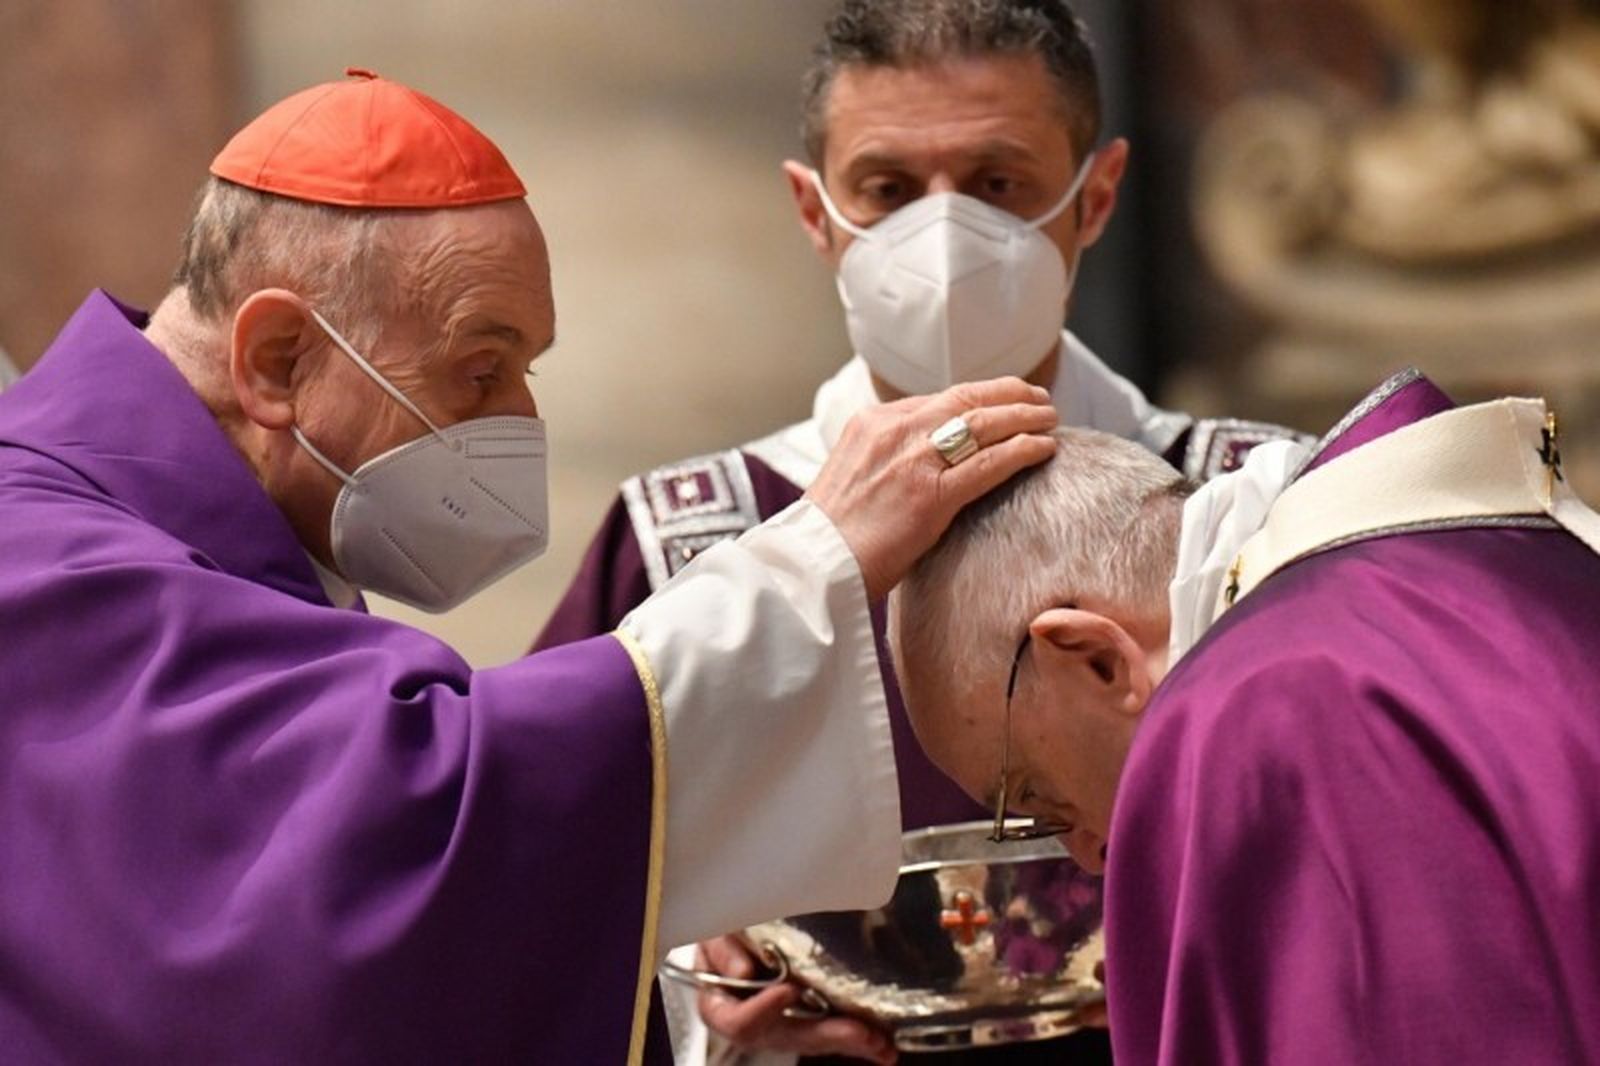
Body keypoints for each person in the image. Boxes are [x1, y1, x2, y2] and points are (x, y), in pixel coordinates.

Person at [0, 69, 1063, 1064]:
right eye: (480, 366)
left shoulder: (215, 533)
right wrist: (809, 555)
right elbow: (392, 835)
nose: (520, 419)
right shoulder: (43, 560)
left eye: (527, 369)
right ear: (279, 360)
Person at [534, 2, 1305, 1061]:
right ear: (815, 212)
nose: (942, 238)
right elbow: (540, 890)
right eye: (888, 191)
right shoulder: (689, 544)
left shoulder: (1261, 499)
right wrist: (687, 981)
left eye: (998, 184)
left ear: (1098, 195)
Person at [889, 369, 1600, 1064]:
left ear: (1094, 657)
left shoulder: (1265, 712)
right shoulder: (1475, 567)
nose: (1085, 855)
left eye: (1038, 799)